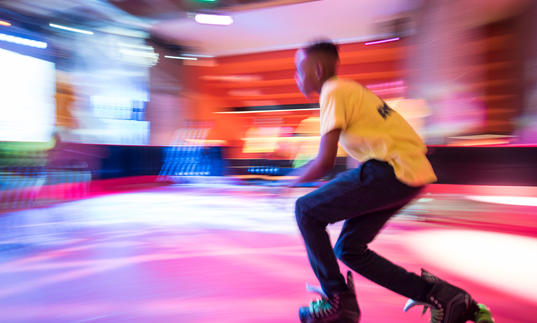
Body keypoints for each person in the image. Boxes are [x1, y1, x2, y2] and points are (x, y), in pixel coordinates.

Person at [289, 40, 494, 323]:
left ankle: (338, 301)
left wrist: (284, 181)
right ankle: (445, 297)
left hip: (391, 170)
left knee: (306, 211)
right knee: (349, 248)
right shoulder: (351, 90)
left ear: (318, 69)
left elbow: (324, 162)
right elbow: (356, 161)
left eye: (299, 70)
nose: (296, 77)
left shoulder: (332, 91)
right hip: (408, 173)